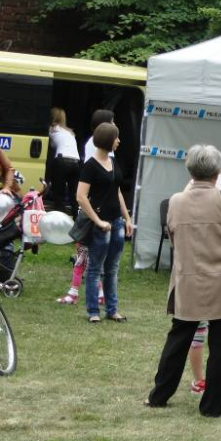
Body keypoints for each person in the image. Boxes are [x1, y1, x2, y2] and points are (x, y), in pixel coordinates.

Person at [146, 144, 221, 416]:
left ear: (190, 171)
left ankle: (159, 394)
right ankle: (212, 406)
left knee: (178, 340)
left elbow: (173, 238)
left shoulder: (175, 201)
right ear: (218, 170)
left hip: (187, 281)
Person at [56, 109, 116, 304]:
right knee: (85, 254)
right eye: (113, 124)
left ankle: (85, 292)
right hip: (91, 211)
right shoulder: (96, 160)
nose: (118, 137)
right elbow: (84, 194)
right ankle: (81, 292)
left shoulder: (107, 158)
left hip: (95, 211)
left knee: (90, 255)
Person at [76, 122, 133, 323]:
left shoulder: (113, 162)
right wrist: (98, 221)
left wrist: (127, 218)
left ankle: (112, 309)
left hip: (116, 222)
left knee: (112, 268)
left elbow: (117, 192)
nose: (119, 141)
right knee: (95, 269)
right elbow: (81, 197)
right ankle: (93, 311)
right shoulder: (90, 166)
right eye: (116, 137)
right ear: (108, 140)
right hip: (101, 225)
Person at [48, 107, 81, 218]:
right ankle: (77, 217)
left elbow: (51, 146)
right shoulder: (70, 132)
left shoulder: (52, 130)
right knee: (74, 194)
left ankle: (59, 217)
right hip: (76, 162)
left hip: (62, 161)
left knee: (59, 193)